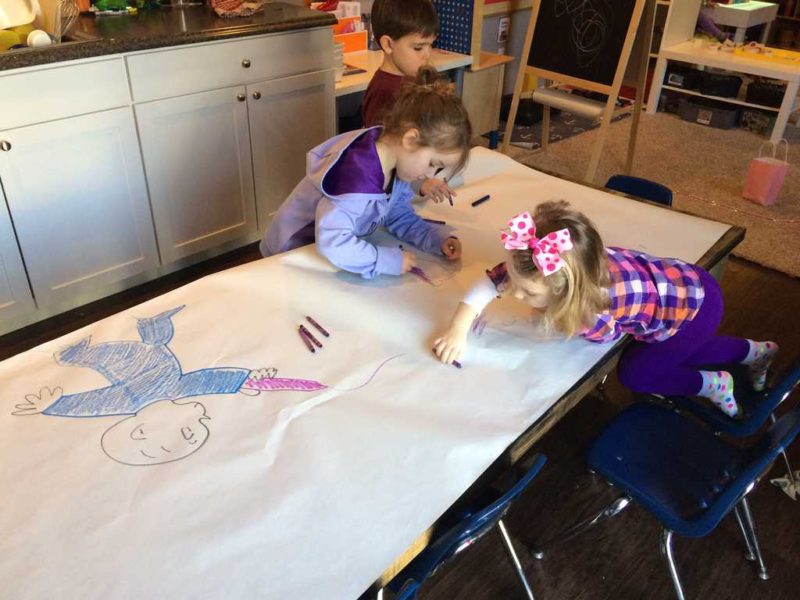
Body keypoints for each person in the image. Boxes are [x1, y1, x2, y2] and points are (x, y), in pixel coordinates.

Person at [433, 201, 778, 417]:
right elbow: (488, 283)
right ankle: (755, 352)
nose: (515, 294)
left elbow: (605, 338)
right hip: (691, 283)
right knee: (692, 348)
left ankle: (713, 384)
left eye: (528, 293)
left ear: (566, 293)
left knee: (636, 374)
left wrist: (553, 320)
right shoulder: (546, 263)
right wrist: (458, 328)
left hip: (691, 310)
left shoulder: (591, 310)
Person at [261, 67, 471, 280]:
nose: (430, 174)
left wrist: (434, 240)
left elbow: (396, 214)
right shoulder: (356, 176)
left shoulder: (394, 159)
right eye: (432, 163)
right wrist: (384, 260)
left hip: (324, 255)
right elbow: (333, 241)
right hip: (292, 253)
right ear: (410, 139)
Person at [364, 0, 454, 204]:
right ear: (388, 44)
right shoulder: (384, 93)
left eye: (430, 45)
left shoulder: (410, 79)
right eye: (418, 47)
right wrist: (419, 183)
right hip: (391, 195)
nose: (427, 55)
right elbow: (381, 158)